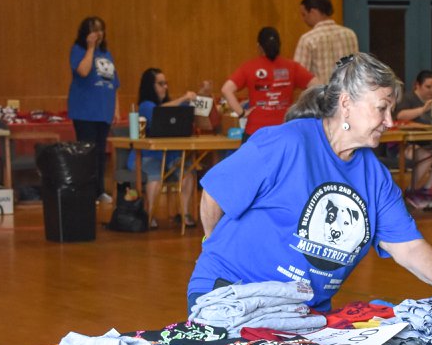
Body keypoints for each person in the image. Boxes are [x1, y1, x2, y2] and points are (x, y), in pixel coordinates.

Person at [189, 52, 432, 313]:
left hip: (301, 311)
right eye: (382, 109)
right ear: (346, 104)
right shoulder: (287, 142)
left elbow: (407, 246)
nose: (389, 122)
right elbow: (214, 194)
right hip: (233, 295)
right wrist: (211, 244)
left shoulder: (376, 177)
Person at [128, 67, 213, 230]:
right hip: (148, 156)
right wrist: (184, 98)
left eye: (166, 83)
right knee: (155, 175)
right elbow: (158, 112)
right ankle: (150, 216)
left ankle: (184, 213)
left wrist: (201, 94)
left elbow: (192, 106)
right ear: (150, 86)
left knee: (188, 172)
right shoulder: (146, 105)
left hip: (171, 155)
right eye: (161, 84)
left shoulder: (174, 104)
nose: (165, 87)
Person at [221, 27, 314, 141]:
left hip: (256, 132)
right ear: (279, 45)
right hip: (285, 132)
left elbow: (226, 89)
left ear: (259, 46)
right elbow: (317, 86)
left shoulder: (249, 67)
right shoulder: (292, 67)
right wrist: (300, 110)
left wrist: (242, 113)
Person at [66, 16, 119, 203]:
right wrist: (90, 48)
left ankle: (99, 190)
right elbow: (83, 71)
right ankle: (86, 191)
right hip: (85, 111)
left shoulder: (107, 54)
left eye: (101, 30)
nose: (98, 34)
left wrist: (115, 109)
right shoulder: (78, 50)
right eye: (94, 30)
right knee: (87, 153)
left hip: (103, 112)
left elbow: (113, 83)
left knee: (100, 153)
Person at [394, 70, 432, 211]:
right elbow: (400, 116)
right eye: (428, 87)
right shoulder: (407, 98)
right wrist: (423, 109)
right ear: (417, 85)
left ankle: (425, 190)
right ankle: (410, 192)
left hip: (428, 143)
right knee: (426, 157)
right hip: (404, 145)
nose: (431, 90)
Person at [292, 0, 359, 82]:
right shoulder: (350, 35)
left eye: (304, 14)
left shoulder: (308, 39)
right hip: (348, 90)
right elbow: (356, 68)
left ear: (313, 12)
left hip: (321, 90)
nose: (303, 19)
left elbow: (299, 75)